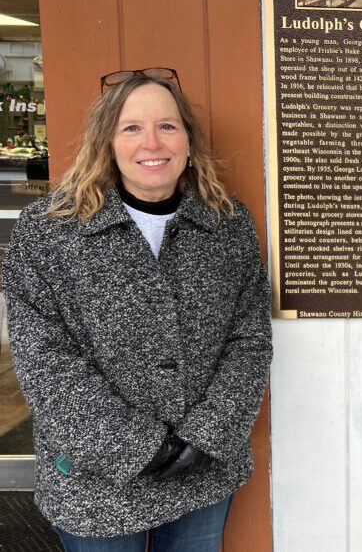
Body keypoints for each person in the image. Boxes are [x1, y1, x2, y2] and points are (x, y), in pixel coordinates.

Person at [3, 67, 272, 551]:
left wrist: (207, 434)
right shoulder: (47, 231)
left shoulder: (227, 225)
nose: (153, 142)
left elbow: (249, 338)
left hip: (201, 470)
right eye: (132, 128)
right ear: (107, 142)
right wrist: (136, 445)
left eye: (167, 126)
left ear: (188, 142)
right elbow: (43, 360)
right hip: (95, 479)